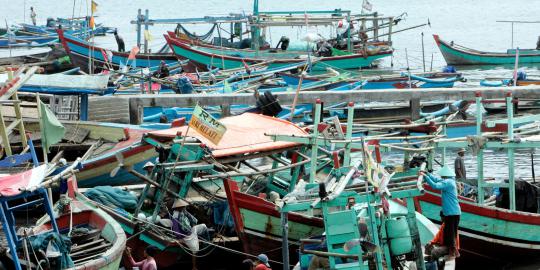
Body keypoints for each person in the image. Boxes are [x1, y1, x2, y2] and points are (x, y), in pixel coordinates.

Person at [420, 166, 461, 259]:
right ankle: (451, 250)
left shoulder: (448, 182)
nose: (441, 177)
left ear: (445, 175)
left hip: (452, 212)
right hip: (451, 212)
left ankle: (453, 251)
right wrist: (427, 174)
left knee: (451, 233)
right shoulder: (448, 180)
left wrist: (425, 177)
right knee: (449, 232)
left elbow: (435, 186)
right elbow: (436, 179)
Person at [170, 199, 209, 270]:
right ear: (180, 207)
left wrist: (188, 216)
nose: (185, 207)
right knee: (195, 249)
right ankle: (194, 266)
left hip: (179, 235)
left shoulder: (175, 213)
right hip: (186, 235)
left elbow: (192, 220)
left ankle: (203, 240)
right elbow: (186, 228)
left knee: (200, 228)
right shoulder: (180, 215)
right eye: (183, 206)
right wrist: (191, 228)